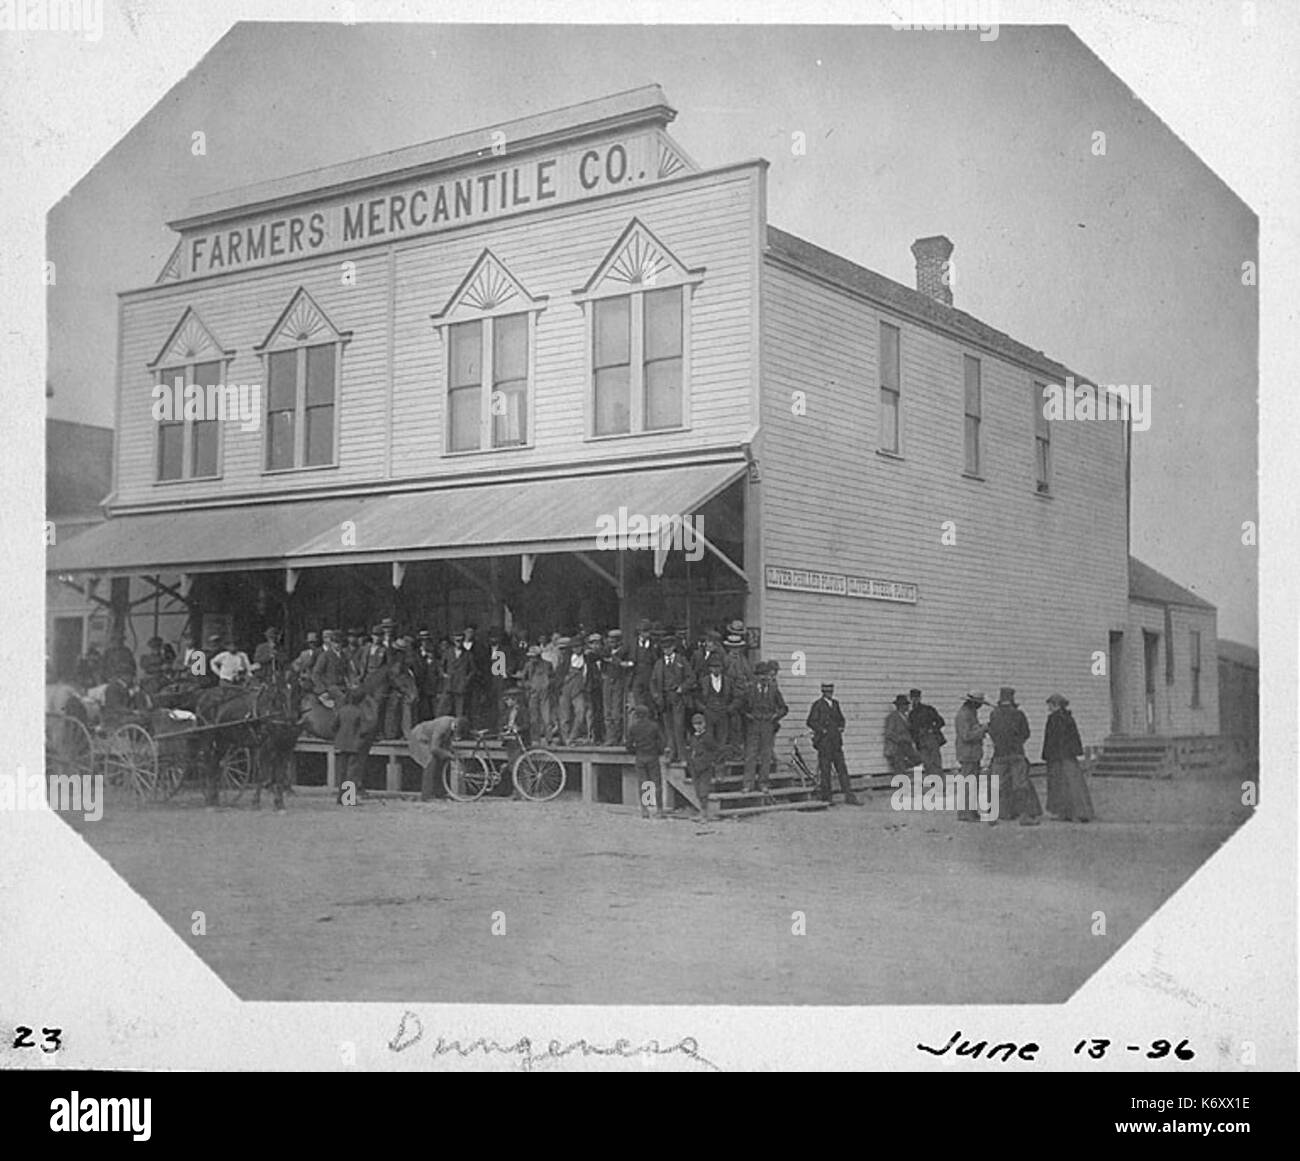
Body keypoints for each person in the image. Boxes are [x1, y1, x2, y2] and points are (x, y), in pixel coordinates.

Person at [987, 687, 1041, 825]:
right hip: (1016, 753)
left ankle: (994, 815)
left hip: (999, 754)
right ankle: (1024, 816)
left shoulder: (994, 714)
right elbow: (1026, 733)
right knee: (1020, 784)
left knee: (997, 784)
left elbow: (992, 732)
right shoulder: (1019, 714)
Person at [1043, 693, 1095, 822]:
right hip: (1069, 756)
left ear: (1055, 705)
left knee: (1059, 784)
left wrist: (1048, 755)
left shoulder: (1053, 719)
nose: (1048, 707)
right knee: (1073, 783)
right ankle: (1079, 811)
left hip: (1057, 757)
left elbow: (1051, 740)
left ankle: (1065, 812)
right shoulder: (1068, 718)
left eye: (1050, 705)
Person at [806, 681, 860, 805]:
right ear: (823, 692)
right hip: (824, 743)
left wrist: (841, 726)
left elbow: (841, 719)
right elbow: (810, 721)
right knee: (825, 770)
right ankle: (827, 797)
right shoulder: (817, 705)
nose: (829, 694)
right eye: (827, 692)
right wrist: (822, 730)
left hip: (836, 742)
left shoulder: (835, 704)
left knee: (842, 769)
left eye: (831, 691)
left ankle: (849, 795)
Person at [741, 659, 787, 793]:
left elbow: (783, 708)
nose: (764, 678)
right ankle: (748, 784)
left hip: (768, 725)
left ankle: (763, 783)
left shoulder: (774, 690)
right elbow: (742, 707)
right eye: (761, 675)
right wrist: (748, 716)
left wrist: (775, 716)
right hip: (753, 725)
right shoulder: (749, 689)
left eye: (766, 675)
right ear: (756, 676)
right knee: (751, 755)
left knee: (766, 755)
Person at [651, 635, 694, 763]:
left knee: (679, 726)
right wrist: (656, 696)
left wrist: (682, 688)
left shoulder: (682, 661)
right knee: (668, 727)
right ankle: (672, 753)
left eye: (668, 648)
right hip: (664, 699)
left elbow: (691, 678)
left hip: (678, 698)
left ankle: (681, 755)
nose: (666, 651)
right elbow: (653, 682)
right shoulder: (659, 664)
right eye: (664, 648)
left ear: (673, 648)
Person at [334, 686, 378, 804]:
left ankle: (340, 797)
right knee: (351, 773)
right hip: (354, 745)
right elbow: (364, 730)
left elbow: (334, 726)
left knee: (342, 772)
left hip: (341, 745)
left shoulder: (341, 710)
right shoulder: (359, 712)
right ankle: (348, 799)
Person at [408, 714, 466, 802]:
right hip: (419, 737)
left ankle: (441, 793)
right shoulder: (442, 726)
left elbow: (445, 743)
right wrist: (448, 754)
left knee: (444, 760)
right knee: (430, 761)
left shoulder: (452, 724)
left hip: (429, 740)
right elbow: (434, 748)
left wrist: (450, 753)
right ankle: (427, 796)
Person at [954, 691, 991, 821]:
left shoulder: (969, 713)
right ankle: (966, 813)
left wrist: (979, 728)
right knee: (969, 784)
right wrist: (983, 729)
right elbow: (966, 735)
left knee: (971, 783)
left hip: (972, 754)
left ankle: (969, 811)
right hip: (968, 754)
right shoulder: (964, 715)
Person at [625, 703, 666, 820]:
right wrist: (658, 751)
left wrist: (635, 751)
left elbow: (628, 745)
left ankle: (645, 810)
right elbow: (662, 742)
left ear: (637, 715)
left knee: (644, 784)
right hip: (653, 756)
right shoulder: (654, 726)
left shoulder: (633, 727)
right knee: (656, 783)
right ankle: (659, 809)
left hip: (640, 756)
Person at [696, 652, 739, 752]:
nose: (716, 669)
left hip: (723, 714)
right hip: (709, 714)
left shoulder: (728, 681)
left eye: (718, 666)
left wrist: (730, 708)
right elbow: (696, 698)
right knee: (709, 740)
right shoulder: (703, 681)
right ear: (710, 668)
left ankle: (721, 763)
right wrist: (703, 709)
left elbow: (737, 697)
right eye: (713, 667)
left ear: (722, 668)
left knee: (722, 740)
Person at [685, 711, 721, 823]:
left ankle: (704, 814)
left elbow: (715, 750)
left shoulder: (708, 737)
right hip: (695, 767)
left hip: (705, 767)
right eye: (695, 724)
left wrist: (709, 761)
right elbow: (690, 750)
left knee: (703, 790)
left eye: (700, 723)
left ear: (704, 724)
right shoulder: (692, 738)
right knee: (697, 790)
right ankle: (701, 811)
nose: (698, 726)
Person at [908, 688, 947, 785]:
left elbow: (941, 722)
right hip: (921, 741)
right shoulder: (912, 714)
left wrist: (931, 729)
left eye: (917, 697)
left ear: (920, 698)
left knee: (936, 762)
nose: (915, 700)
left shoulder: (928, 709)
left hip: (931, 738)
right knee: (927, 763)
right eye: (913, 698)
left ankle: (941, 785)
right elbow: (912, 730)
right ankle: (933, 784)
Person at [602, 628, 630, 746]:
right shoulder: (606, 652)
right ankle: (610, 737)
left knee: (617, 712)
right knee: (607, 712)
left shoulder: (624, 652)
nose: (611, 644)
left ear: (619, 641)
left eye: (614, 641)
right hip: (608, 681)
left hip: (619, 681)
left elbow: (626, 664)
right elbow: (601, 659)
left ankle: (618, 737)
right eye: (610, 641)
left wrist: (614, 661)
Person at [884, 694, 921, 781]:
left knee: (918, 759)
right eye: (905, 705)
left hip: (906, 746)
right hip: (896, 747)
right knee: (899, 768)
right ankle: (900, 788)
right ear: (900, 706)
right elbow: (889, 733)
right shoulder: (893, 717)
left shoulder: (906, 717)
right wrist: (900, 740)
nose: (908, 707)